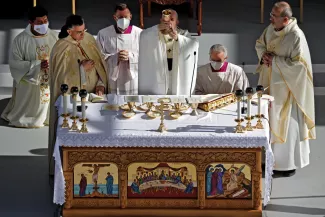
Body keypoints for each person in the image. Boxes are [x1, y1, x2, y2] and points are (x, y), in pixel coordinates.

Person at [255, 1, 316, 177]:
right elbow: (260, 43)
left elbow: (300, 66)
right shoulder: (271, 28)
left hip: (288, 88)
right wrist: (264, 55)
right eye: (271, 15)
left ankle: (287, 164)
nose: (270, 18)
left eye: (274, 16)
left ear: (286, 19)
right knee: (267, 119)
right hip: (269, 82)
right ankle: (268, 159)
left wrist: (274, 61)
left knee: (287, 126)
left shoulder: (296, 36)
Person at [48, 15, 108, 175]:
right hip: (74, 101)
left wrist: (100, 84)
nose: (83, 35)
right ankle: (70, 171)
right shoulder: (61, 47)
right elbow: (62, 79)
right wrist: (82, 69)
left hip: (94, 98)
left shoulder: (88, 39)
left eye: (84, 30)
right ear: (69, 31)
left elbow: (100, 66)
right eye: (79, 32)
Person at [1, 6, 58, 128]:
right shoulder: (20, 40)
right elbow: (15, 64)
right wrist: (37, 64)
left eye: (45, 21)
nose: (43, 24)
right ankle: (28, 117)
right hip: (29, 84)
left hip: (49, 79)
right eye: (39, 22)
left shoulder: (54, 36)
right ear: (31, 22)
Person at [138, 9, 199, 95]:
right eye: (164, 20)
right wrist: (156, 29)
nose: (168, 23)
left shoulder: (183, 34)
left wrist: (178, 38)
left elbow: (194, 45)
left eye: (172, 20)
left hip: (176, 69)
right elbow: (142, 36)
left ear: (177, 22)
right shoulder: (153, 32)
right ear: (160, 21)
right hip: (158, 71)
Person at [96, 3, 142, 95]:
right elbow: (99, 59)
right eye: (120, 17)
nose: (123, 20)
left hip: (133, 81)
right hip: (113, 80)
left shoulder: (140, 34)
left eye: (126, 17)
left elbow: (146, 57)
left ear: (130, 17)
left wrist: (130, 56)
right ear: (115, 17)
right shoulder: (103, 34)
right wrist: (115, 57)